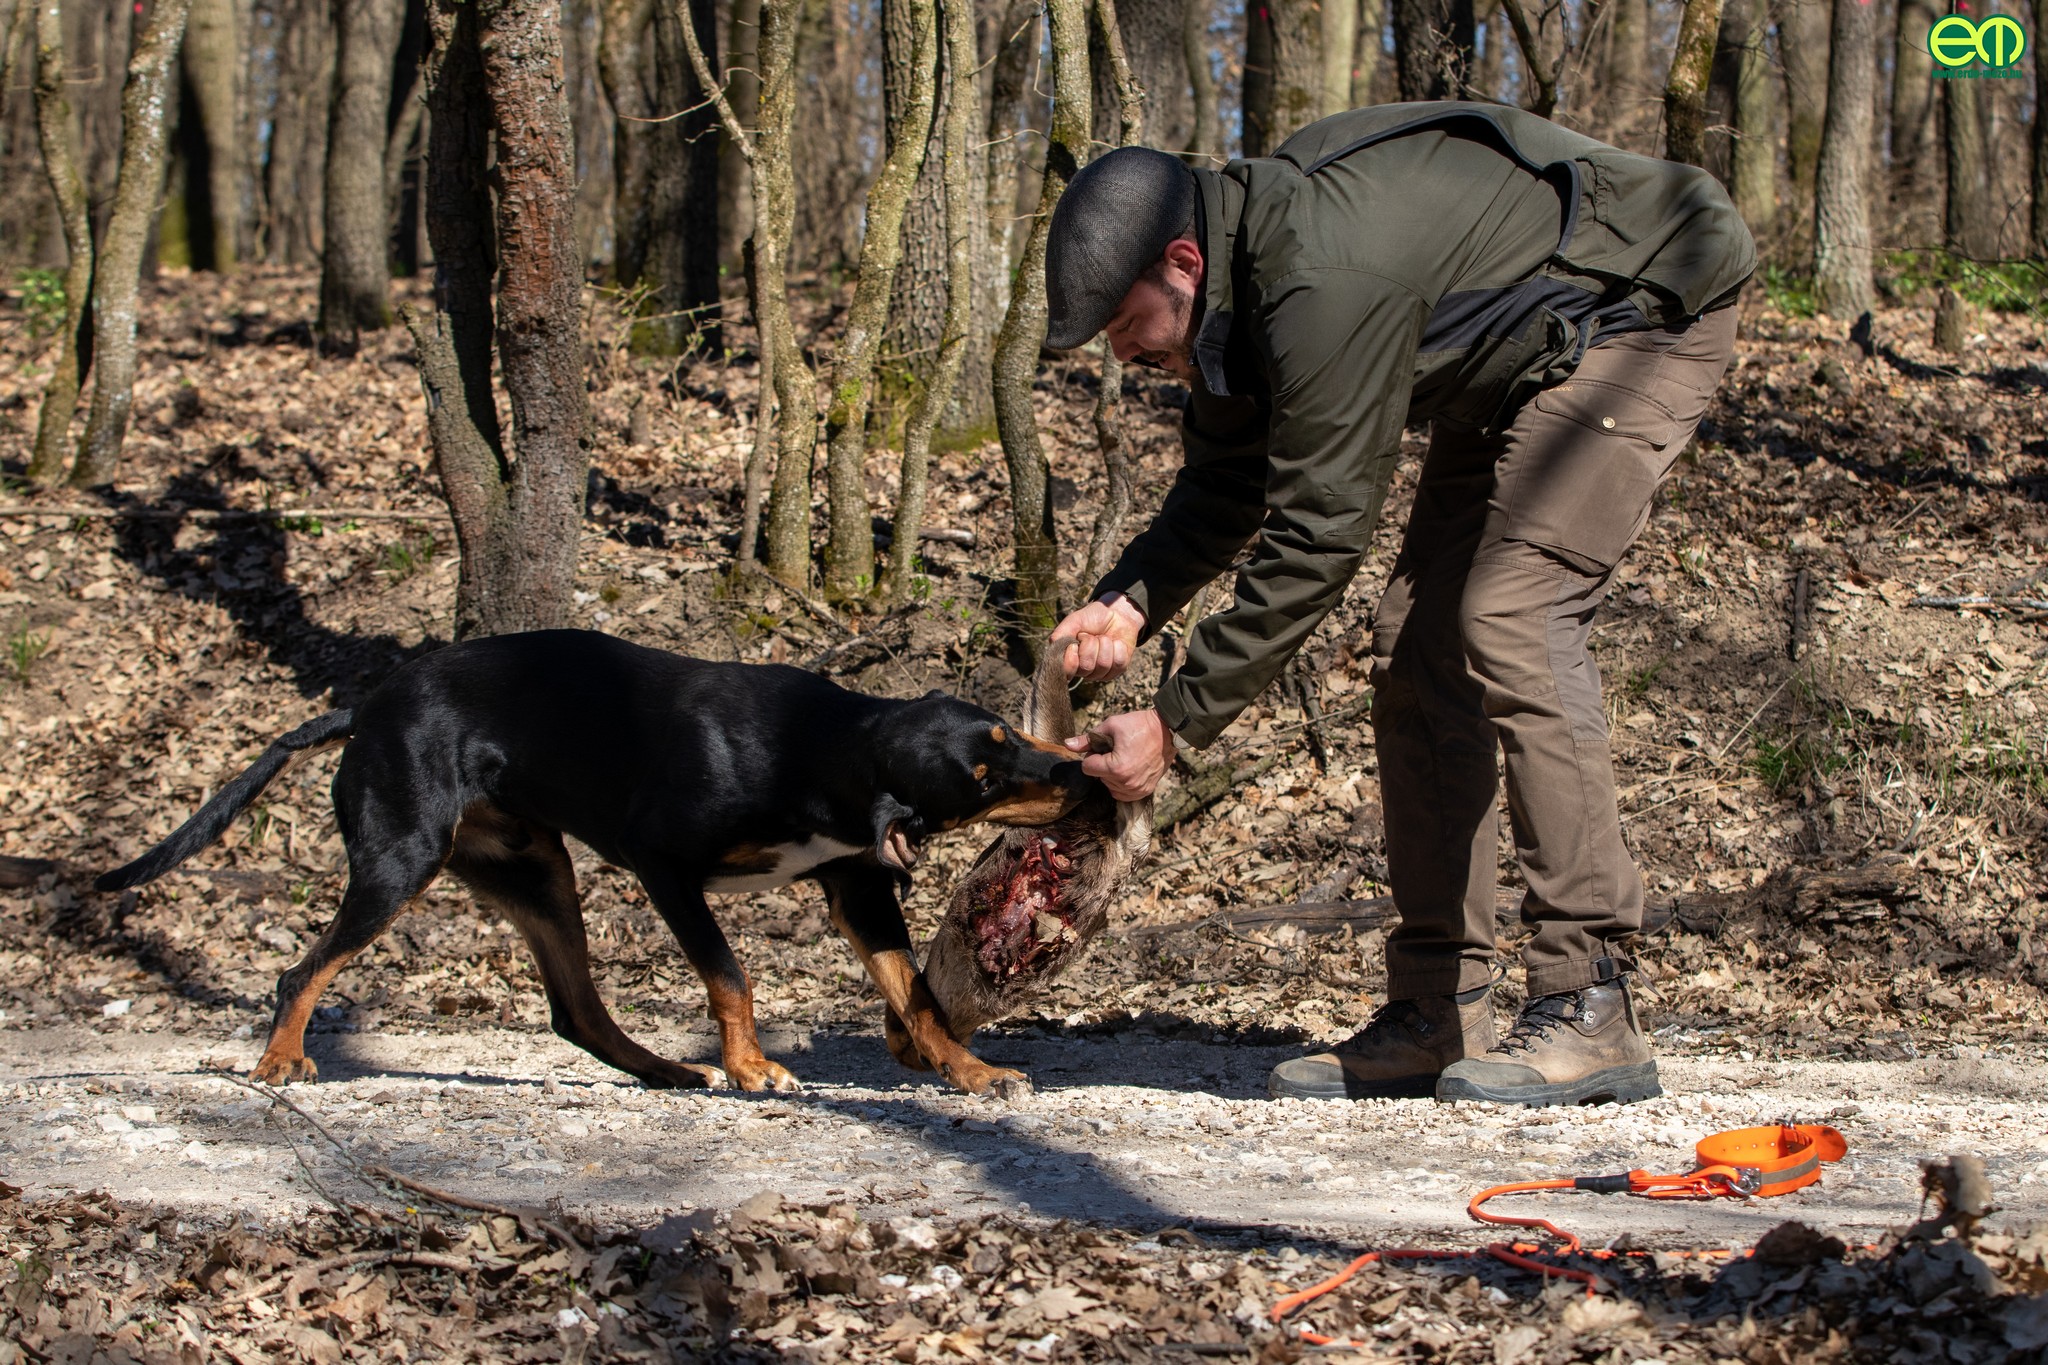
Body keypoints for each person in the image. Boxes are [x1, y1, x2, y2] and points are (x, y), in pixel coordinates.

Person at [1045, 102, 1755, 1107]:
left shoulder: (1318, 279)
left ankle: (1590, 998)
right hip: (1509, 357)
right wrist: (1126, 603)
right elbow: (1226, 483)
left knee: (1512, 612)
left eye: (1124, 327)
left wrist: (1175, 721)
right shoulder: (1236, 297)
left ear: (1182, 263)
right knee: (1415, 643)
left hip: (1644, 302)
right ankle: (1436, 1008)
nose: (1124, 356)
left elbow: (1319, 534)